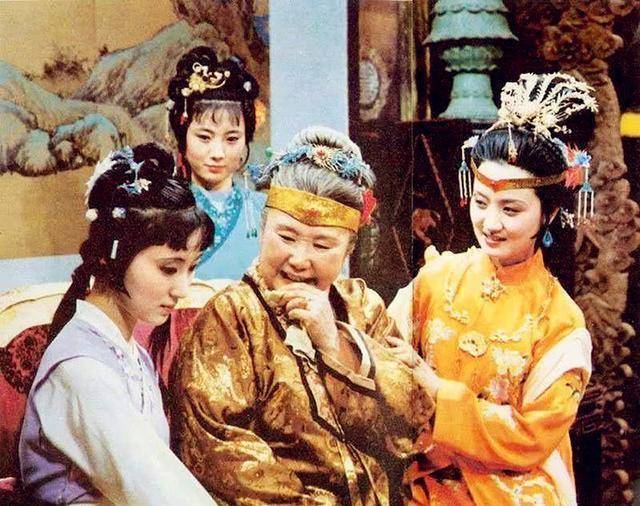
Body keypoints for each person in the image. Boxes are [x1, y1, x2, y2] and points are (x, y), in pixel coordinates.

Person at [172, 126, 435, 505]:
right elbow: (219, 450)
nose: (299, 259)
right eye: (286, 237)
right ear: (264, 227)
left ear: (349, 249)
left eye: (322, 245)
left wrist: (336, 344)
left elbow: (410, 426)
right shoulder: (231, 317)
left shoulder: (365, 307)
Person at [387, 73, 598, 505]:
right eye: (481, 203)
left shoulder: (560, 321)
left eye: (511, 209)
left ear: (548, 213)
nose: (490, 223)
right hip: (419, 473)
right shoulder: (436, 280)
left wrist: (436, 392)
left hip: (515, 485)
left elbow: (531, 437)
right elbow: (381, 355)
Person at [19, 144, 217, 505]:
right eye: (169, 269)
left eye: (191, 268)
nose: (183, 289)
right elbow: (158, 490)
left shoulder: (129, 353)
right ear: (114, 256)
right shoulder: (81, 369)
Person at [167, 46, 266, 280]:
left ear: (245, 140)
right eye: (204, 137)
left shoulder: (263, 210)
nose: (218, 153)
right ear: (183, 138)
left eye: (232, 139)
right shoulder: (165, 210)